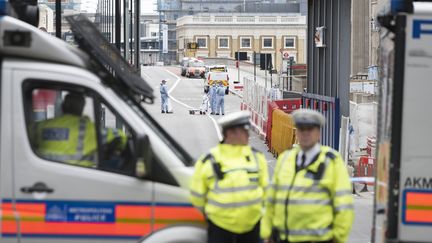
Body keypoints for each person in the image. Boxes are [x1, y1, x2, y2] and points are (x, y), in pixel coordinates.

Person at [261, 109, 354, 243]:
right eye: (301, 129)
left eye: (309, 129)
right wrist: (267, 233)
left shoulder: (331, 161)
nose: (305, 134)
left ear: (318, 133)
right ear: (296, 132)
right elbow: (272, 199)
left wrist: (339, 237)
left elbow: (343, 205)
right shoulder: (286, 159)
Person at [190, 111, 269, 243]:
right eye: (244, 131)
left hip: (253, 229)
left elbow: (267, 193)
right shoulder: (209, 160)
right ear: (230, 133)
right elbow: (197, 196)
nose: (248, 135)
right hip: (220, 229)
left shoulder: (257, 158)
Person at [33, 92, 127, 168]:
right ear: (81, 108)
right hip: (78, 176)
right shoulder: (87, 127)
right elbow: (120, 135)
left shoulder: (43, 125)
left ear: (63, 106)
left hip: (44, 173)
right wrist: (118, 150)